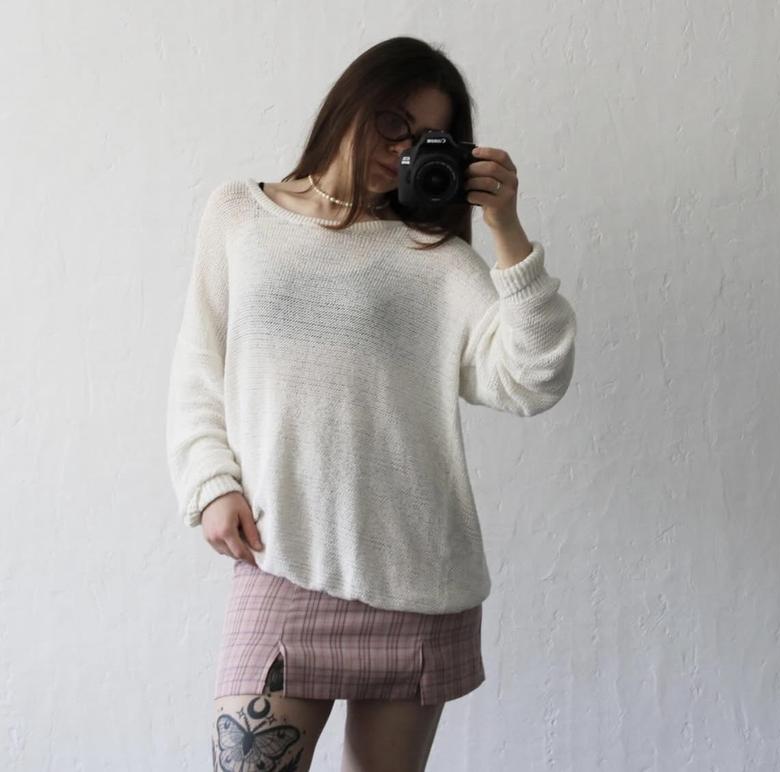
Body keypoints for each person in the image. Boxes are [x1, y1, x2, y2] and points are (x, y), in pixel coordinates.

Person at [165, 36, 577, 772]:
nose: (402, 149)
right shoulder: (239, 215)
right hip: (281, 563)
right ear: (351, 102)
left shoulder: (436, 260)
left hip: (416, 582)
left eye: (428, 140)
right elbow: (199, 369)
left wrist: (506, 229)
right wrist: (210, 484)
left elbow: (533, 377)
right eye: (393, 123)